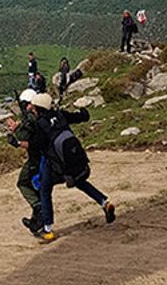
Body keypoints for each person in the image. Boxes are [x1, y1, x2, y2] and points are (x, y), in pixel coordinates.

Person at [30, 93, 116, 243]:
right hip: (72, 158)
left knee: (45, 190)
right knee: (80, 182)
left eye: (34, 108)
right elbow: (82, 117)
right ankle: (104, 202)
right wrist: (83, 111)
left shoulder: (41, 124)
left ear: (39, 109)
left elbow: (36, 145)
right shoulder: (60, 115)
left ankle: (48, 230)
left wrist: (20, 143)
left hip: (55, 163)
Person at [6, 88, 44, 235]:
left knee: (23, 182)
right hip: (43, 156)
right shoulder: (40, 113)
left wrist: (15, 129)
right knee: (38, 189)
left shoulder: (30, 117)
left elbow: (27, 137)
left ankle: (38, 211)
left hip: (37, 159)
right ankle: (36, 222)